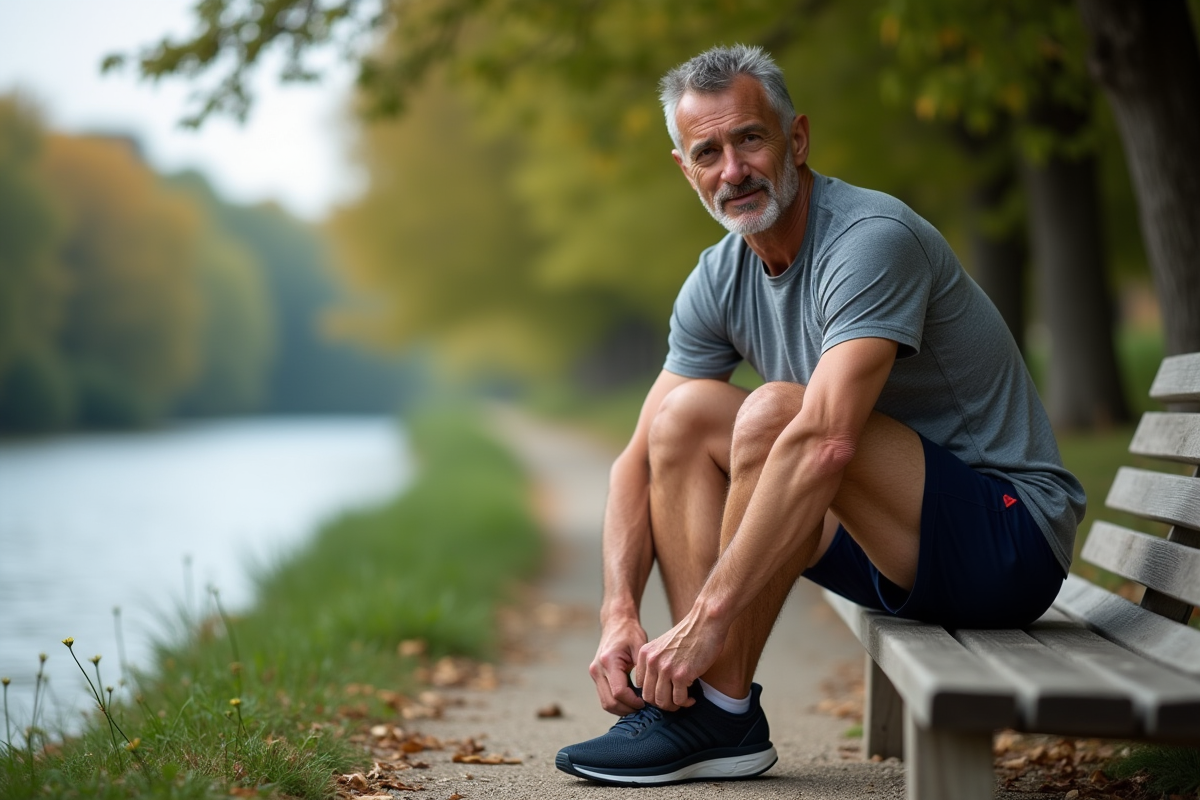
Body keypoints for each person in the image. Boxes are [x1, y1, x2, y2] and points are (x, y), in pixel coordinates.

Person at [555, 44, 1085, 787]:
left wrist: (704, 622)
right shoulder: (718, 276)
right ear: (686, 170)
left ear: (795, 140)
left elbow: (829, 440)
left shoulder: (870, 241)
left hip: (1006, 540)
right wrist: (619, 612)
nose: (732, 170)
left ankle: (712, 701)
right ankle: (710, 712)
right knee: (683, 418)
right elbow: (637, 459)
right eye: (707, 151)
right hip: (886, 543)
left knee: (779, 414)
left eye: (750, 139)